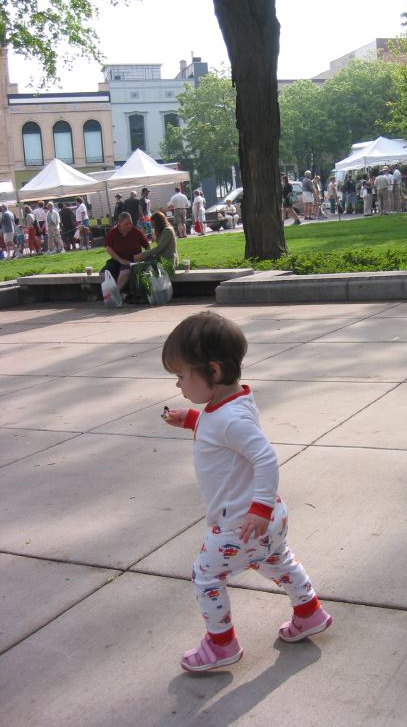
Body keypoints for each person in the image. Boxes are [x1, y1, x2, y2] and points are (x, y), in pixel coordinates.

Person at [161, 311, 332, 672]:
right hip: (266, 520)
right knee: (278, 561)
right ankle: (309, 611)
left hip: (240, 523)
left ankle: (221, 645)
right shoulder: (230, 404)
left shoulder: (230, 418)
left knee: (205, 577)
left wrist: (259, 507)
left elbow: (265, 458)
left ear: (214, 371)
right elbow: (222, 432)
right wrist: (192, 419)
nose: (178, 385)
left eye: (181, 376)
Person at [101, 212, 149, 293]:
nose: (129, 226)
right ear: (119, 223)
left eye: (130, 223)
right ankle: (113, 291)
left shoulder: (137, 232)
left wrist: (143, 258)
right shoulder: (113, 233)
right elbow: (108, 248)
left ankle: (115, 294)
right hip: (117, 260)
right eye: (126, 224)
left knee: (125, 272)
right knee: (103, 273)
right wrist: (120, 260)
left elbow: (147, 247)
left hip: (132, 261)